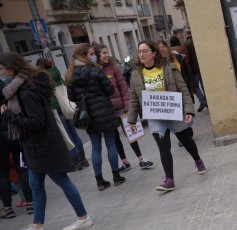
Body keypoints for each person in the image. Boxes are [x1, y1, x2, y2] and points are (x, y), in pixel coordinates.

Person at [0, 52, 92, 230]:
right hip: (36, 146)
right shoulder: (24, 87)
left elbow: (37, 122)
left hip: (43, 146)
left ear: (11, 69)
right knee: (36, 185)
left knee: (62, 181)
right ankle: (37, 225)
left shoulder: (26, 92)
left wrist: (8, 115)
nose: (0, 72)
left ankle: (83, 217)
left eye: (1, 69)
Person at [127, 40, 206, 192]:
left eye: (145, 51)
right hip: (155, 117)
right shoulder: (135, 74)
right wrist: (131, 120)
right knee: (164, 147)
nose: (141, 54)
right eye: (139, 51)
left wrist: (189, 111)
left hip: (173, 112)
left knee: (186, 140)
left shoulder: (169, 67)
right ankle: (169, 180)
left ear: (154, 53)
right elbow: (134, 99)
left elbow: (183, 89)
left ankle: (197, 160)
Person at [66, 43, 125, 191]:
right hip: (105, 111)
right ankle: (116, 176)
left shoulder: (71, 74)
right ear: (84, 55)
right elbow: (110, 90)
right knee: (110, 143)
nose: (94, 56)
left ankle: (99, 181)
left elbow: (71, 97)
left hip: (88, 116)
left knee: (96, 147)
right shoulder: (96, 70)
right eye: (92, 53)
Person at [94, 44, 153, 172]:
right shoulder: (95, 71)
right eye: (104, 53)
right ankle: (125, 162)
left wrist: (127, 107)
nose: (107, 55)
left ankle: (141, 159)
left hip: (121, 108)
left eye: (107, 52)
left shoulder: (113, 68)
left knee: (131, 133)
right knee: (114, 138)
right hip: (108, 111)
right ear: (98, 55)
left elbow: (124, 89)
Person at [36, 58, 87, 170]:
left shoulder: (42, 78)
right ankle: (83, 159)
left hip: (55, 110)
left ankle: (76, 161)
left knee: (66, 136)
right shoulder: (56, 73)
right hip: (65, 107)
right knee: (74, 134)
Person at [0, 82, 33, 219]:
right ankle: (30, 202)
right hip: (12, 129)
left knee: (2, 173)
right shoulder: (4, 86)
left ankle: (7, 208)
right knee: (21, 168)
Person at [183, 30, 207, 112]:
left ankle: (203, 100)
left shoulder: (187, 44)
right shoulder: (196, 41)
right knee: (204, 86)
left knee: (195, 86)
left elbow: (187, 58)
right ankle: (206, 102)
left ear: (186, 35)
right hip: (202, 67)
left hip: (194, 69)